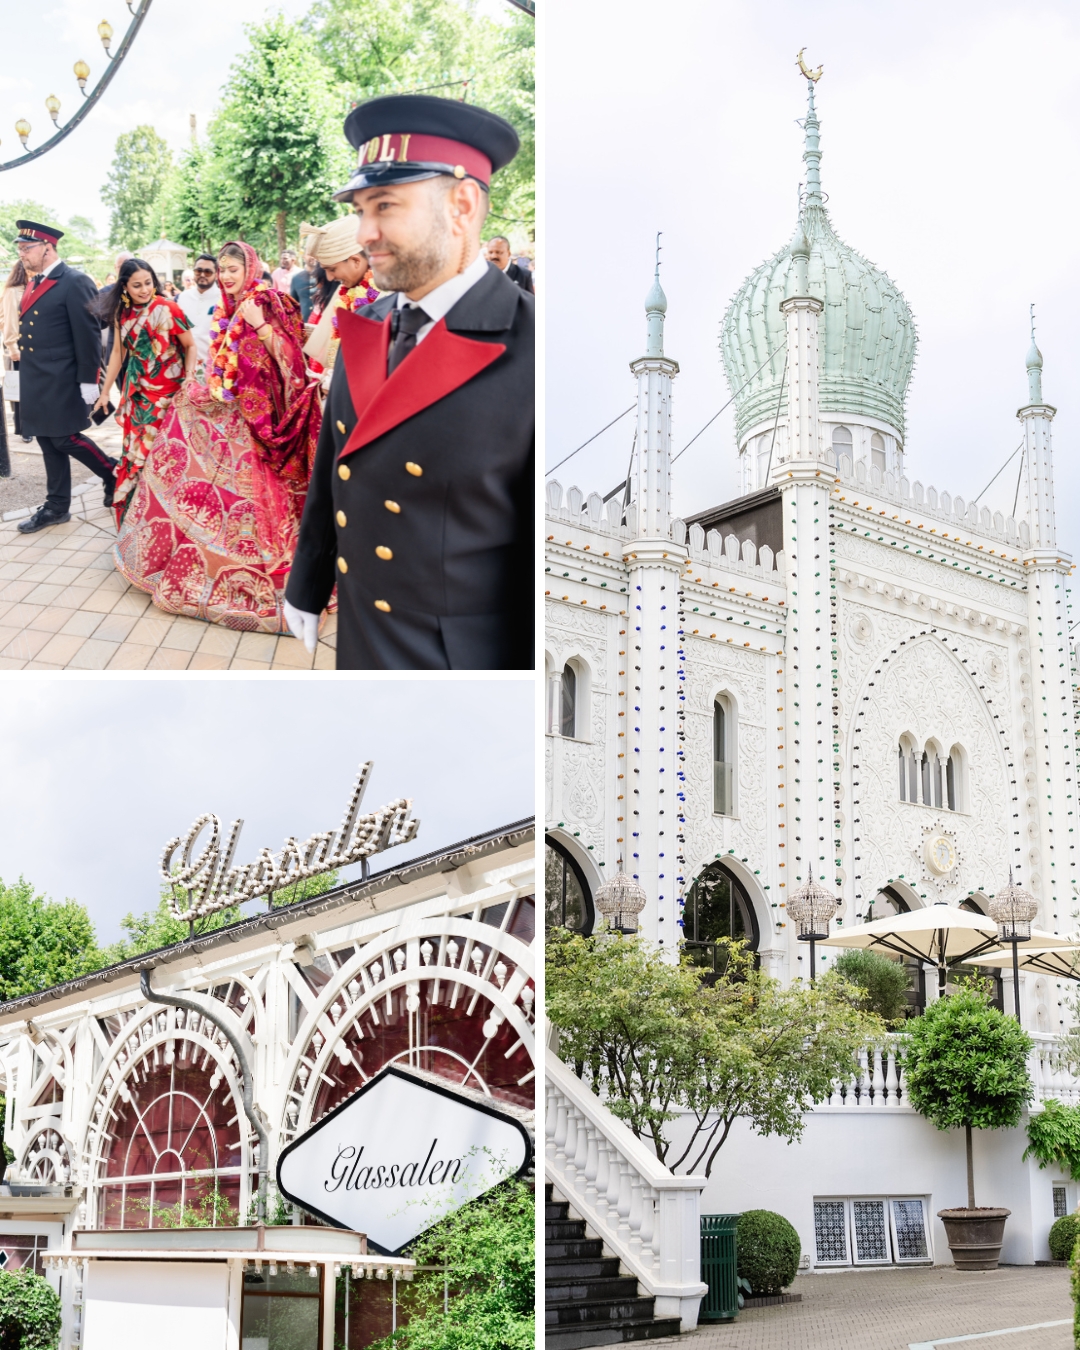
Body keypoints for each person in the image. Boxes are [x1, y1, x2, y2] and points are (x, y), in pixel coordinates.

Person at [284, 94, 534, 670]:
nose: (364, 232)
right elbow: (336, 465)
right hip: (363, 632)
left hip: (460, 660)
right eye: (359, 208)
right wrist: (308, 578)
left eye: (386, 206)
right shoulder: (368, 324)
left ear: (462, 205)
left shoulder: (528, 344)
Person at [114, 241, 322, 632]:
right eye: (222, 268)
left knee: (259, 505)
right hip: (233, 416)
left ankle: (267, 587)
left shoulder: (269, 301)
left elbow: (292, 360)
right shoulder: (229, 305)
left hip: (262, 424)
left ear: (252, 268)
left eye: (232, 269)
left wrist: (258, 323)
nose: (226, 276)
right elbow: (223, 363)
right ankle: (202, 570)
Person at [12, 220, 117, 533]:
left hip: (62, 378)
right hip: (38, 376)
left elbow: (87, 334)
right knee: (47, 440)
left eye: (26, 248)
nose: (21, 254)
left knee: (64, 438)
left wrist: (89, 381)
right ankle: (57, 506)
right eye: (19, 248)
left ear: (47, 247)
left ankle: (111, 471)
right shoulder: (35, 281)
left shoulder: (74, 280)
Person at [92, 258, 196, 524]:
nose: (144, 289)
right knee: (137, 455)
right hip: (137, 395)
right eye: (136, 285)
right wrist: (105, 393)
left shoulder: (169, 308)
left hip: (169, 395)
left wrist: (190, 378)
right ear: (124, 287)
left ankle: (169, 518)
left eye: (148, 283)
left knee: (164, 455)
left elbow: (190, 346)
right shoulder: (121, 313)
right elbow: (117, 353)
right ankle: (139, 521)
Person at [300, 215, 379, 378]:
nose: (329, 278)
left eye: (332, 269)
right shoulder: (346, 291)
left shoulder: (387, 291)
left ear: (356, 261)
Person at [176, 255, 222, 374]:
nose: (202, 275)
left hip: (214, 368)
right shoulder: (182, 298)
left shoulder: (223, 299)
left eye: (207, 272)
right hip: (183, 367)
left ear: (216, 274)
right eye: (198, 271)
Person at [0, 258, 31, 440]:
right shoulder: (13, 291)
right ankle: (24, 429)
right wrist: (12, 345)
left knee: (27, 387)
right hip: (18, 345)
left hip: (27, 344)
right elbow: (10, 319)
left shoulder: (27, 289)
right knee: (21, 388)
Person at [290, 252, 317, 322]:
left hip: (323, 324)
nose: (313, 257)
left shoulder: (327, 277)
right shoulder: (296, 278)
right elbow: (293, 304)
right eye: (310, 254)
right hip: (304, 324)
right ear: (304, 257)